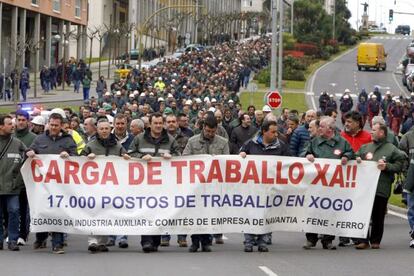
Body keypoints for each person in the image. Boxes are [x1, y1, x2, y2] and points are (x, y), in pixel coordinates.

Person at [128, 113, 180, 253]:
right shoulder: (139, 138)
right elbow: (130, 153)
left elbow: (180, 157)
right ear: (149, 124)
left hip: (163, 184)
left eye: (159, 123)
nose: (157, 126)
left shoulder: (170, 140)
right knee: (146, 212)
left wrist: (172, 157)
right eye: (155, 123)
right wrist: (141, 156)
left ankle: (155, 241)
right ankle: (146, 241)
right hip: (144, 183)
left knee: (158, 213)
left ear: (163, 124)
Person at [26, 113, 77, 254]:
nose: (54, 127)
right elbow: (31, 150)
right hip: (43, 184)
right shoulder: (40, 138)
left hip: (61, 185)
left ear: (61, 126)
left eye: (56, 125)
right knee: (43, 211)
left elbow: (77, 158)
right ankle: (41, 238)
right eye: (52, 124)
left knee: (58, 213)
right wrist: (29, 152)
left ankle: (57, 244)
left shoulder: (68, 140)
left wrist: (69, 155)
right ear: (48, 124)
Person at [303, 116, 354, 250]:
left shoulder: (342, 142)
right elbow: (306, 153)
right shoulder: (314, 142)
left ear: (330, 129)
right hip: (316, 184)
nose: (319, 129)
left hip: (333, 186)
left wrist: (346, 156)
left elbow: (351, 152)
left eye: (321, 126)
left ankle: (328, 240)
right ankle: (311, 239)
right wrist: (308, 155)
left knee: (331, 212)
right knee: (313, 211)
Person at [239, 120, 290, 252]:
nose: (276, 134)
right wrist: (242, 155)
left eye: (276, 132)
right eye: (272, 132)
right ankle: (249, 241)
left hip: (271, 187)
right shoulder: (251, 144)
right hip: (253, 187)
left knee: (267, 214)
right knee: (251, 213)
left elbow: (290, 163)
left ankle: (263, 241)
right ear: (264, 132)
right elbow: (239, 159)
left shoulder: (281, 146)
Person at [81, 120, 130, 253]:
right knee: (94, 212)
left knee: (106, 213)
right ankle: (92, 241)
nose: (104, 131)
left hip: (112, 187)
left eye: (106, 129)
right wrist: (86, 157)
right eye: (101, 128)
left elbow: (126, 159)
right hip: (94, 186)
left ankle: (102, 242)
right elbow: (79, 161)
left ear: (110, 130)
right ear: (97, 130)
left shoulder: (117, 146)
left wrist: (126, 158)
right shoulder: (90, 145)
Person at [354, 123, 406, 249]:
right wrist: (357, 159)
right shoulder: (366, 147)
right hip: (365, 187)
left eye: (374, 130)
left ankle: (376, 240)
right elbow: (355, 155)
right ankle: (363, 240)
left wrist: (387, 166)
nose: (371, 132)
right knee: (363, 214)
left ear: (381, 133)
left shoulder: (391, 149)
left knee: (378, 215)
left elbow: (400, 163)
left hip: (381, 187)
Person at [183, 115, 229, 253]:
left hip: (213, 185)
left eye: (213, 132)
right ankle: (195, 241)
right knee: (196, 214)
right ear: (203, 128)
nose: (210, 134)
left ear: (216, 130)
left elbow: (227, 161)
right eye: (208, 131)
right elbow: (185, 159)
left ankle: (206, 241)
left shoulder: (223, 142)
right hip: (196, 185)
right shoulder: (192, 141)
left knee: (209, 214)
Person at [0, 114, 27, 251]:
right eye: (9, 123)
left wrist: (33, 152)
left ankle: (12, 240)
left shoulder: (17, 143)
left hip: (12, 187)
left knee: (14, 211)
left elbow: (28, 153)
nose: (13, 125)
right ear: (1, 126)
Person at [13, 110, 36, 245]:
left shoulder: (33, 138)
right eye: (19, 119)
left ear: (28, 121)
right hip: (11, 179)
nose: (21, 122)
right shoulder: (10, 137)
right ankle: (11, 233)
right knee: (10, 210)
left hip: (27, 179)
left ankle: (23, 234)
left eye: (23, 120)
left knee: (23, 208)